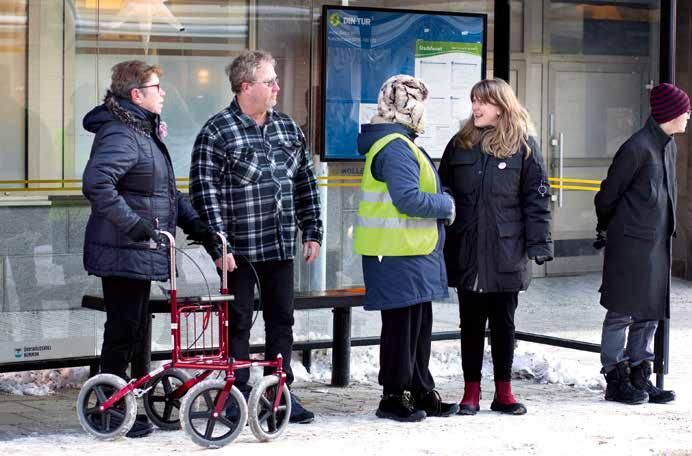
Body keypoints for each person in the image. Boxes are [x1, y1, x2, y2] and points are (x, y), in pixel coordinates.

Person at [82, 60, 215, 437]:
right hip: (123, 248)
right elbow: (96, 183)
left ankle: (127, 402)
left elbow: (166, 193)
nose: (164, 93)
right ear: (137, 94)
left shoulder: (142, 131)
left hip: (139, 248)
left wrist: (198, 227)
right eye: (157, 87)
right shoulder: (123, 134)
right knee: (123, 330)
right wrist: (135, 225)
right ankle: (109, 408)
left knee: (135, 328)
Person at [189, 50, 322, 424]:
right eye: (270, 80)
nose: (277, 86)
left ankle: (281, 393)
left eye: (276, 79)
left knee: (283, 321)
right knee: (238, 323)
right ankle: (235, 394)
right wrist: (219, 246)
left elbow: (305, 183)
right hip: (240, 252)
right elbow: (205, 194)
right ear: (246, 86)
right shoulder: (216, 132)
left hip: (279, 245)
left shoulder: (287, 127)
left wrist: (312, 229)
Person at [438, 78, 553, 416]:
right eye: (473, 100)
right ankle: (470, 393)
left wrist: (539, 244)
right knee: (470, 324)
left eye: (482, 102)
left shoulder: (524, 147)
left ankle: (504, 393)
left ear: (502, 106)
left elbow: (537, 199)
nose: (475, 107)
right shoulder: (459, 145)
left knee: (504, 325)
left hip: (507, 251)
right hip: (468, 250)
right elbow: (442, 187)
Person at [354, 75, 460, 422]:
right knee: (401, 328)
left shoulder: (399, 142)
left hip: (410, 251)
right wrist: (446, 205)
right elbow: (408, 198)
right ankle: (394, 397)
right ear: (407, 107)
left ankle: (419, 391)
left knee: (418, 324)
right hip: (396, 252)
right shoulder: (395, 146)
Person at [593, 82, 690, 405]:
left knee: (649, 312)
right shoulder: (636, 148)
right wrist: (609, 228)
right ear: (669, 114)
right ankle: (615, 378)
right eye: (684, 110)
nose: (688, 115)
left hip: (657, 245)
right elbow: (608, 195)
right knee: (621, 311)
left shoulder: (669, 146)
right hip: (629, 245)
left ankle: (639, 374)